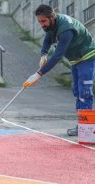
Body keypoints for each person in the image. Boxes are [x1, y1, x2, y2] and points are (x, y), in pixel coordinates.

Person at [23, 4, 95, 136]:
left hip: (87, 57)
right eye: (39, 22)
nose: (42, 25)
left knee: (85, 92)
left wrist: (39, 74)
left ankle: (86, 128)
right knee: (77, 91)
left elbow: (57, 55)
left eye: (43, 21)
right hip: (75, 59)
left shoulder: (65, 29)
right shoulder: (52, 25)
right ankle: (82, 126)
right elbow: (47, 38)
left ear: (52, 17)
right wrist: (43, 53)